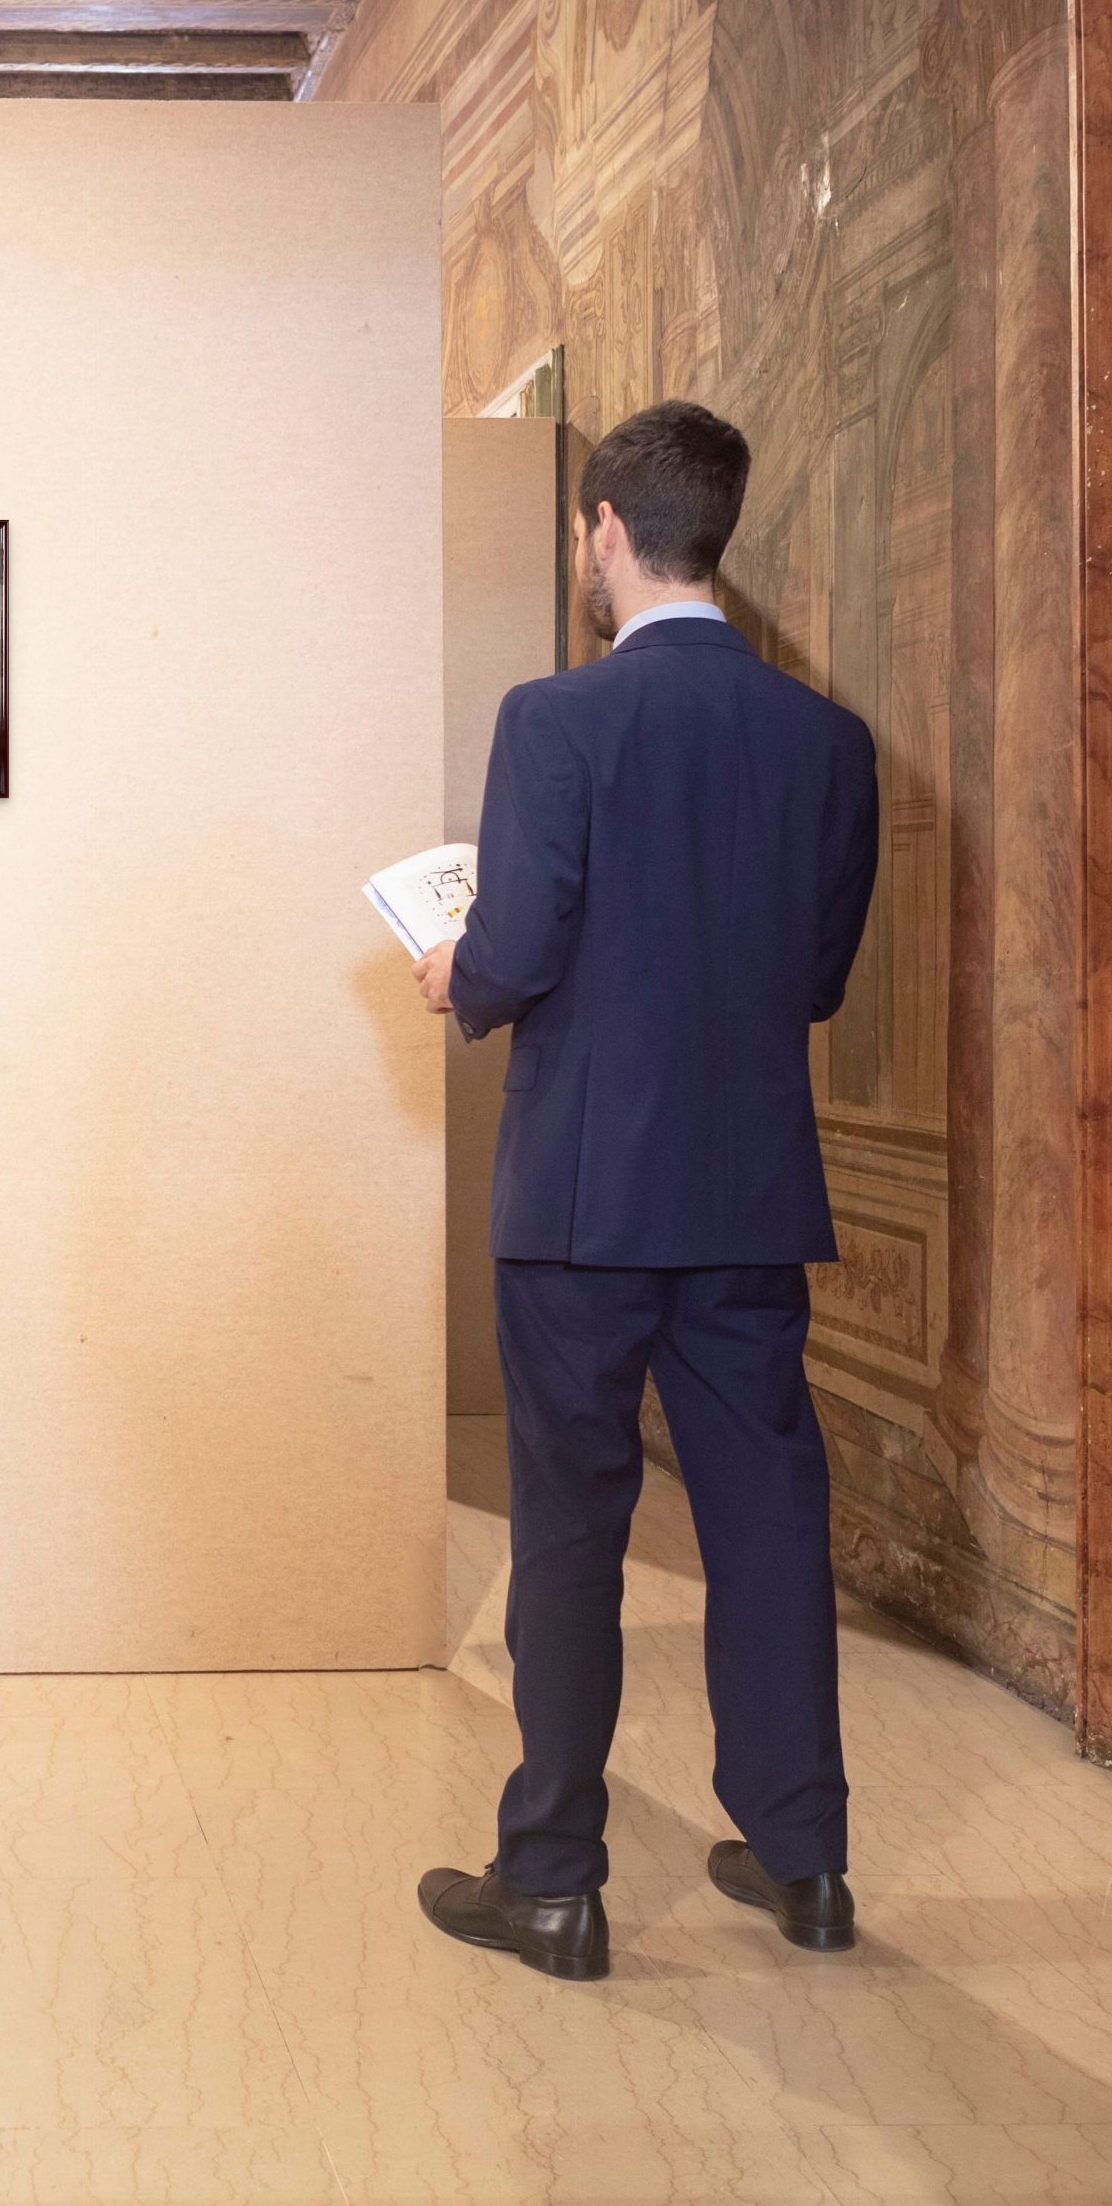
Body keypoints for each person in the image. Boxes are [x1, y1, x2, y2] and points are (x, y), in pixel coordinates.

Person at [411, 400, 879, 1984]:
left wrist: (456, 968)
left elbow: (518, 951)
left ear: (605, 527)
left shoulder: (554, 722)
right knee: (770, 1520)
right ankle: (807, 1863)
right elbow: (818, 977)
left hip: (580, 1208)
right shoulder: (827, 744)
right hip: (746, 1202)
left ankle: (552, 1880)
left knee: (569, 1528)